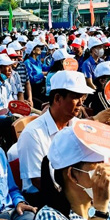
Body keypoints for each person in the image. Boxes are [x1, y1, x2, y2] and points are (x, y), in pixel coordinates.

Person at [17, 70, 94, 205]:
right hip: (43, 198)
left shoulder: (77, 126)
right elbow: (38, 181)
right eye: (76, 97)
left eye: (83, 97)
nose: (81, 103)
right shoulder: (33, 133)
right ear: (58, 98)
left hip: (76, 193)